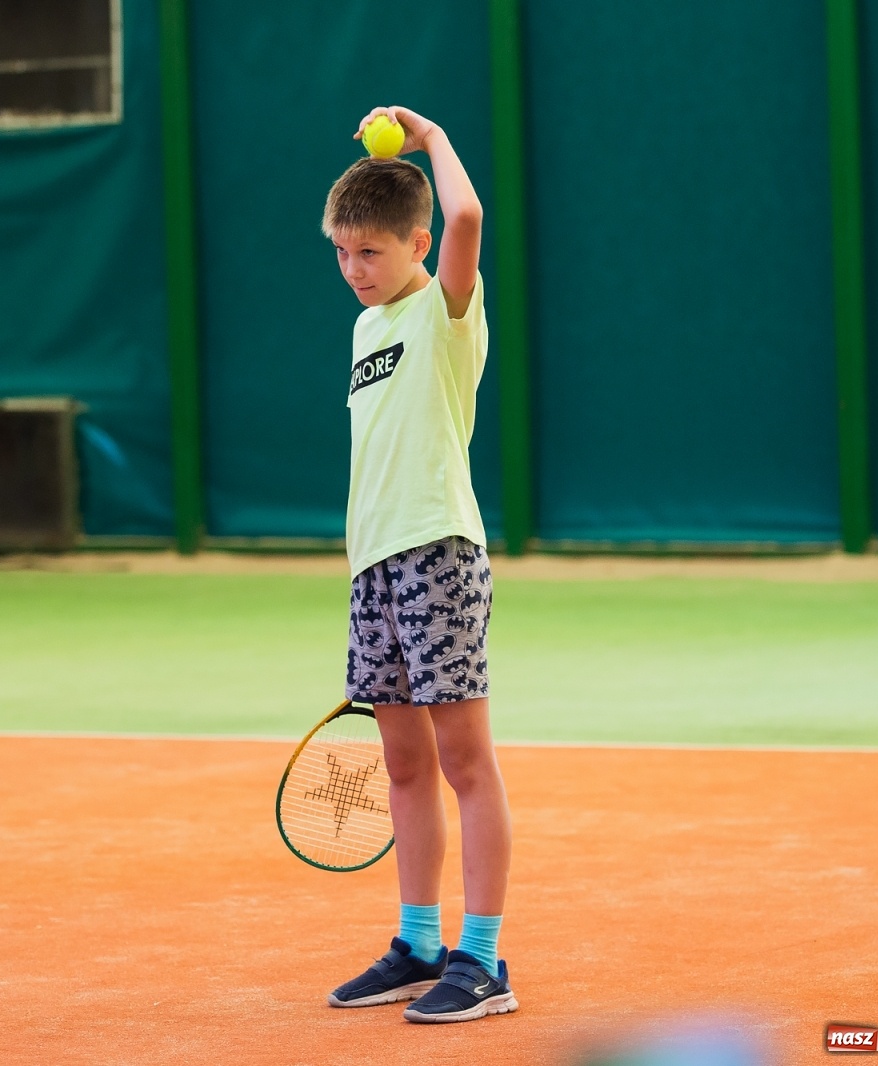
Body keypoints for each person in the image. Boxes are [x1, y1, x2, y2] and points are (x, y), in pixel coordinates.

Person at [322, 106, 517, 1022]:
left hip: (439, 554)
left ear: (417, 244)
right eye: (342, 253)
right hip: (375, 569)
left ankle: (482, 961)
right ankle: (418, 942)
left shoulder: (444, 311)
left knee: (463, 761)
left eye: (370, 252)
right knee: (403, 765)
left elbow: (471, 219)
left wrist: (434, 138)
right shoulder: (362, 334)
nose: (354, 270)